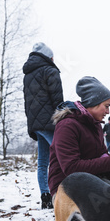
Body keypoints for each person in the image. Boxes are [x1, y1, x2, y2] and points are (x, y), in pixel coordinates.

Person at [48, 76, 110, 221]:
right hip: (66, 187)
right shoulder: (67, 126)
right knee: (98, 214)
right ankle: (70, 212)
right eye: (106, 106)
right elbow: (71, 167)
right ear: (93, 103)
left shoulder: (96, 126)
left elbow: (102, 154)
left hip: (91, 180)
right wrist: (108, 162)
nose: (108, 111)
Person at [23, 42, 63, 209]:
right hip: (50, 122)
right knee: (63, 156)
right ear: (49, 57)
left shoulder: (28, 74)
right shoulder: (50, 71)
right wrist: (63, 119)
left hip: (35, 124)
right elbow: (58, 100)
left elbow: (28, 102)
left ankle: (45, 195)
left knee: (43, 162)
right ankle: (63, 196)